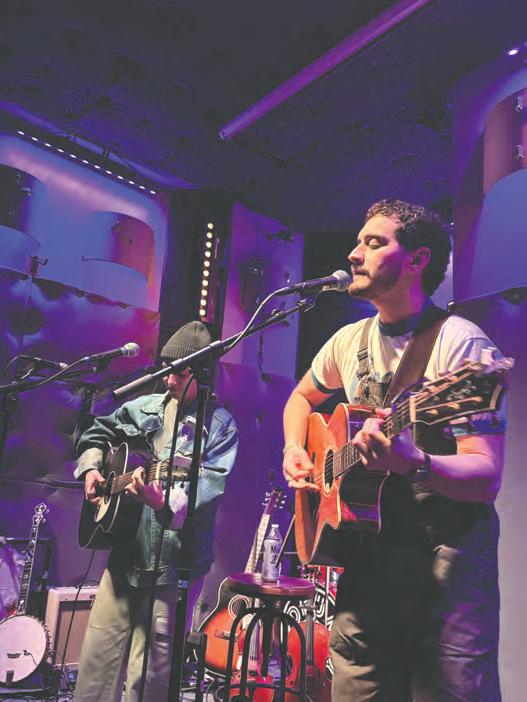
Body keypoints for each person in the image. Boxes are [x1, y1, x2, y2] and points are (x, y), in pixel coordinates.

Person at [282, 199, 507, 701]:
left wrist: (416, 463)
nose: (354, 253)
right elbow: (301, 398)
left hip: (445, 556)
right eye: (358, 241)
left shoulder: (460, 344)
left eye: (374, 242)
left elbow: (486, 475)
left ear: (417, 260)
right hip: (370, 555)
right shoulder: (348, 340)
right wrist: (295, 448)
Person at [73, 321, 238, 702]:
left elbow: (207, 490)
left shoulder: (220, 429)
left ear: (201, 374)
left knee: (150, 680)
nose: (169, 380)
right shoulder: (143, 408)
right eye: (166, 370)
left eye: (179, 372)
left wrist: (162, 503)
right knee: (96, 666)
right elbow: (96, 432)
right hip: (125, 556)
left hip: (173, 569)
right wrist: (93, 468)